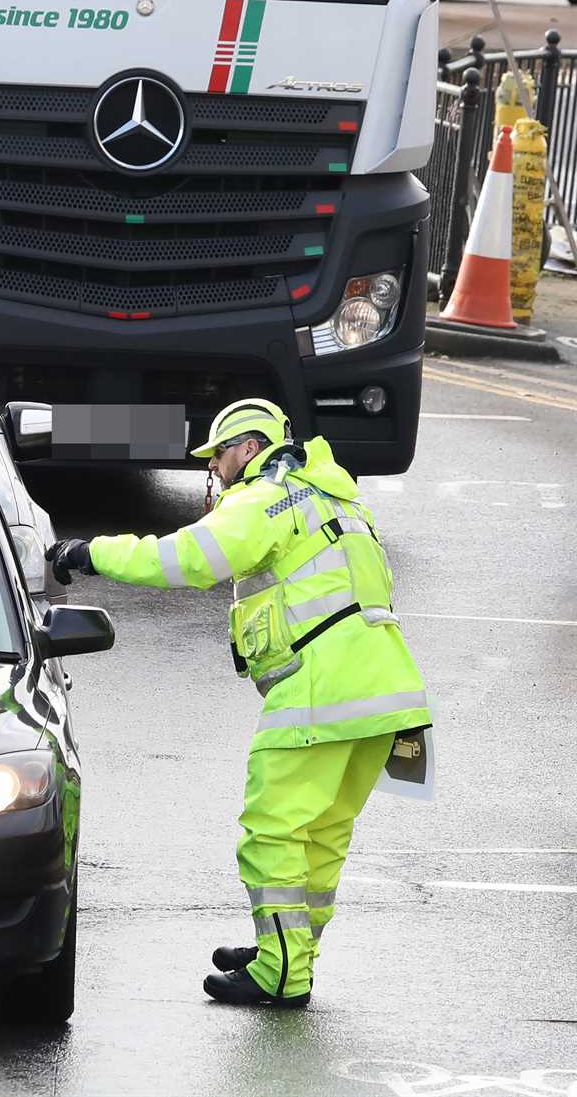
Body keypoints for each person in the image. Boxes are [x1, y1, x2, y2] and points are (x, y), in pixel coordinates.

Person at [46, 398, 430, 1010]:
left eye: (219, 456)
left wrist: (89, 553)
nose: (214, 471)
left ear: (249, 447)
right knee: (322, 837)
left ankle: (279, 974)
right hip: (389, 696)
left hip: (319, 690)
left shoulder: (266, 498)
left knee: (271, 833)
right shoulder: (335, 497)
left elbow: (185, 559)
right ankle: (289, 955)